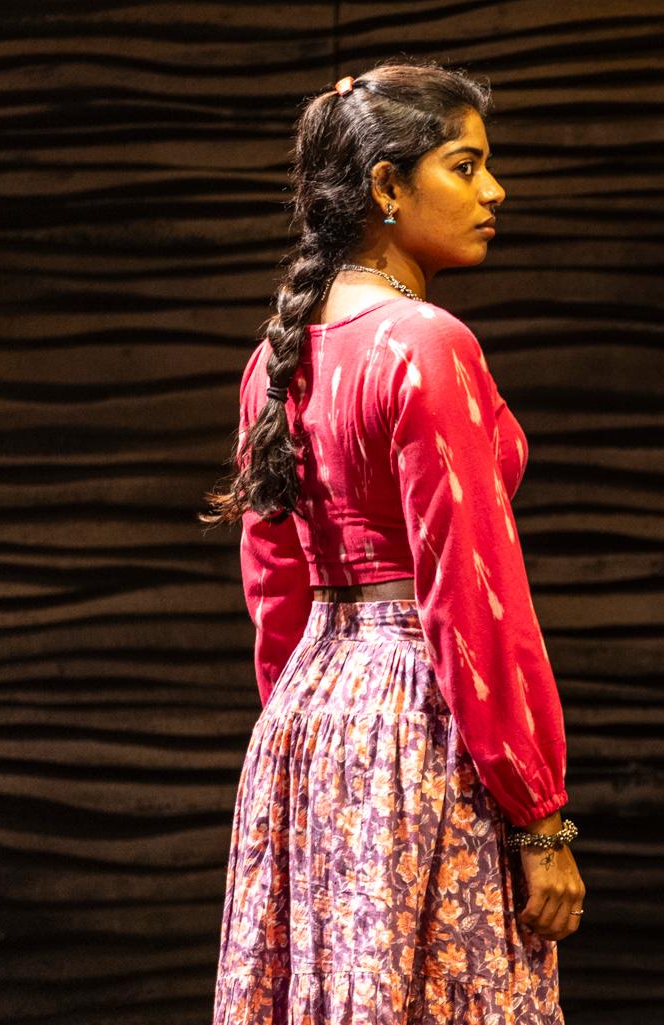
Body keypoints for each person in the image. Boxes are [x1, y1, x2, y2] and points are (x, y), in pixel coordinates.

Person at [198, 60, 583, 1022]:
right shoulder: (425, 343)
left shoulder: (275, 358)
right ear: (386, 186)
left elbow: (274, 591)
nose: (495, 191)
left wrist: (306, 738)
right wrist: (540, 814)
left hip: (307, 726)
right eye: (466, 165)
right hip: (421, 720)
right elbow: (471, 593)